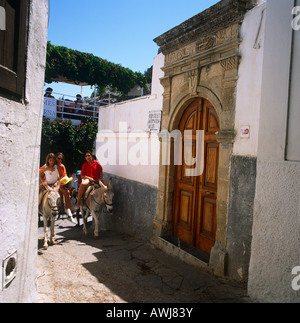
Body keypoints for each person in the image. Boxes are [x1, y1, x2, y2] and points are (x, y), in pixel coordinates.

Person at [56, 153, 76, 224]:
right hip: (55, 183)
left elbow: (65, 176)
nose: (60, 160)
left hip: (61, 183)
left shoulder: (62, 166)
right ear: (56, 158)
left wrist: (63, 181)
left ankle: (69, 212)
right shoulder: (53, 166)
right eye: (59, 158)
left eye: (61, 159)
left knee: (68, 193)